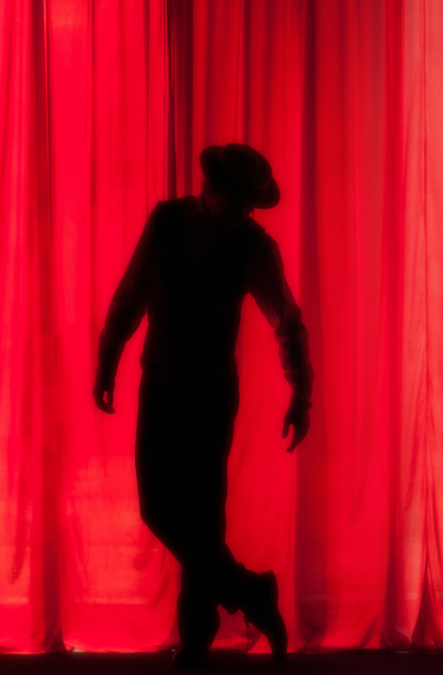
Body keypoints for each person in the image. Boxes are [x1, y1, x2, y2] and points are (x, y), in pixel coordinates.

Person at [93, 143, 311, 669]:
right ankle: (250, 591)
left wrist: (301, 392)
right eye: (233, 200)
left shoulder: (254, 246)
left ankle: (196, 637)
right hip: (159, 379)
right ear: (208, 188)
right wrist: (108, 356)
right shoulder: (167, 220)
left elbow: (287, 322)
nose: (241, 212)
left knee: (203, 518)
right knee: (158, 508)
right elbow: (132, 293)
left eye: (247, 204)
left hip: (211, 390)